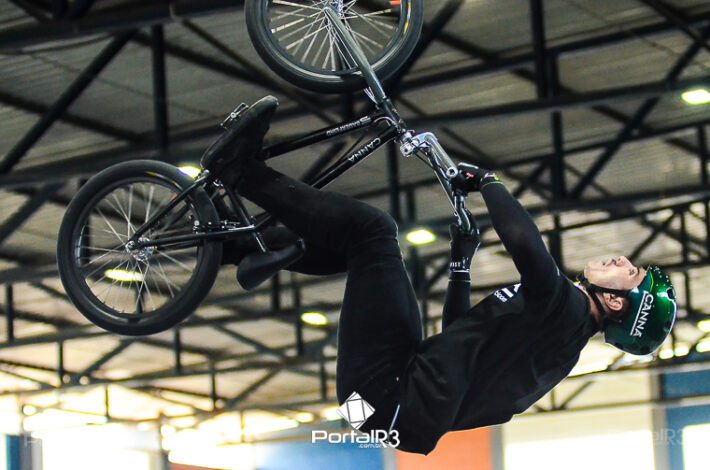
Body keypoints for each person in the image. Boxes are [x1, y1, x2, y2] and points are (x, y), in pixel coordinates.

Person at [207, 96, 678, 455]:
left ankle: (240, 171)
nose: (621, 260)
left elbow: (524, 242)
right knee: (370, 257)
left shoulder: (565, 310)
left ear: (615, 302)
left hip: (381, 392)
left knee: (373, 230)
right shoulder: (558, 342)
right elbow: (456, 334)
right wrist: (460, 262)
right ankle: (242, 250)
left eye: (630, 272)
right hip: (379, 405)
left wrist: (489, 182)